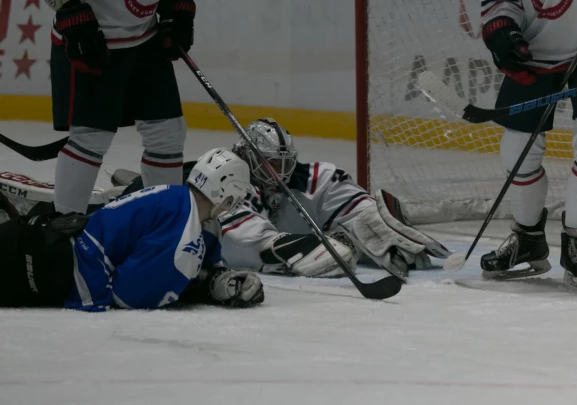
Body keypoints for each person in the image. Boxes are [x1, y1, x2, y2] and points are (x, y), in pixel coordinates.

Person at [0, 119, 451, 279]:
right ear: (250, 162)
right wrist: (278, 248)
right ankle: (29, 202)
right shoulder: (232, 184)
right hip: (158, 198)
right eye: (270, 166)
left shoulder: (306, 176)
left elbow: (342, 194)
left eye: (284, 163)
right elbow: (238, 235)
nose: (281, 173)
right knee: (104, 206)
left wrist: (366, 213)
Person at [0, 148, 264, 311]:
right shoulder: (185, 238)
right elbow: (127, 296)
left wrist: (219, 278)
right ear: (225, 194)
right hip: (42, 267)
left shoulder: (176, 197)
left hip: (42, 238)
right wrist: (198, 286)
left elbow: (204, 256)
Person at [479, 0, 577, 289]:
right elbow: (499, 2)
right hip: (533, 50)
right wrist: (502, 34)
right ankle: (528, 239)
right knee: (516, 151)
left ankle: (575, 241)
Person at [42, 0, 196, 214]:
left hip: (146, 37)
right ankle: (63, 225)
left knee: (167, 132)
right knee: (92, 137)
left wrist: (174, 1)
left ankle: (165, 221)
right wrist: (69, 8)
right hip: (92, 36)